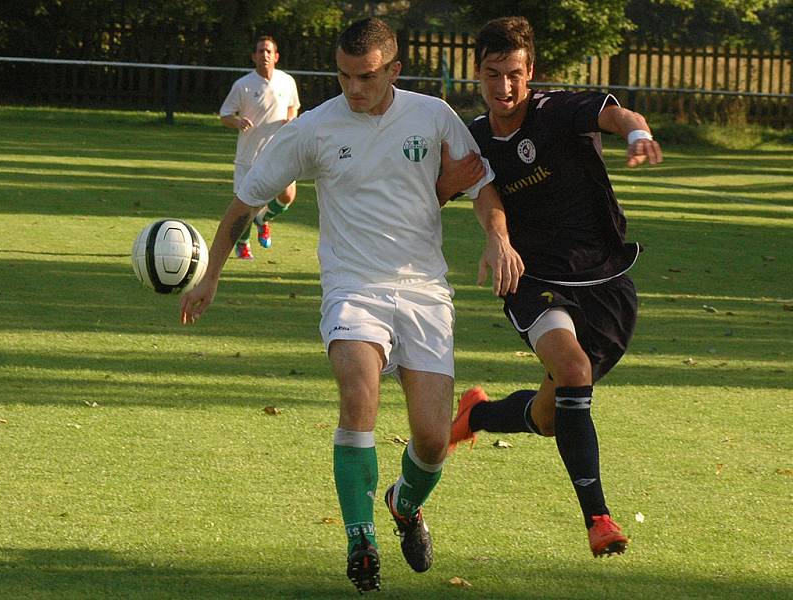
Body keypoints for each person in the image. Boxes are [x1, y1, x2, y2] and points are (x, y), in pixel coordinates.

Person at [180, 17, 523, 593]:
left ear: (394, 69)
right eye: (343, 75)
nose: (353, 88)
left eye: (365, 76)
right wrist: (210, 274)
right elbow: (243, 203)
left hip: (424, 290)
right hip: (352, 287)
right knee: (357, 390)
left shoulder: (433, 116)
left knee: (434, 438)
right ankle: (359, 536)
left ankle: (403, 504)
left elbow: (479, 183)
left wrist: (498, 236)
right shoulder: (313, 129)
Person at [437, 16, 663, 558]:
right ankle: (599, 519)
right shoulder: (473, 138)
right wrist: (496, 238)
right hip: (530, 276)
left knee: (549, 413)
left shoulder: (557, 111)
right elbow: (476, 192)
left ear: (530, 71)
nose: (504, 87)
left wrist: (636, 131)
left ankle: (480, 414)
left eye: (514, 74)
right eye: (493, 74)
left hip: (605, 278)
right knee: (574, 370)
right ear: (478, 73)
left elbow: (616, 113)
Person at [219, 35, 300, 259]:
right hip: (248, 156)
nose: (264, 55)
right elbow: (225, 115)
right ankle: (243, 244)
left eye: (268, 51)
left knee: (288, 195)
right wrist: (237, 121)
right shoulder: (242, 85)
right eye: (260, 51)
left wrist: (291, 119)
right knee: (244, 205)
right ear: (253, 57)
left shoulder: (287, 81)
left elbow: (294, 107)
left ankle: (263, 219)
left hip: (280, 152)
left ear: (276, 56)